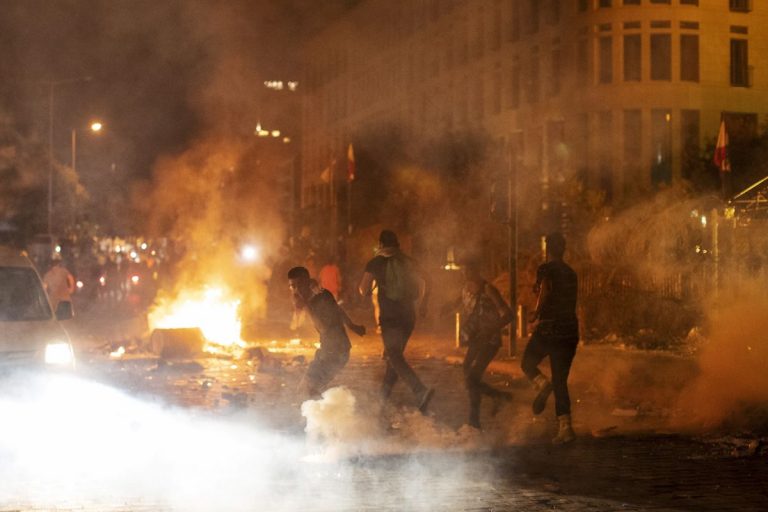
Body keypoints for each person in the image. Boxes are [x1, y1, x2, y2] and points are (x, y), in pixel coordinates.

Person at [358, 230, 434, 414]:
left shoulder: (376, 262)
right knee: (394, 357)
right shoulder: (409, 261)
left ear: (381, 244)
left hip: (390, 316)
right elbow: (429, 280)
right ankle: (381, 401)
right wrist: (424, 304)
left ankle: (419, 389)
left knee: (393, 356)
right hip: (409, 315)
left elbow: (362, 288)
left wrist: (369, 291)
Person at [443, 259, 514, 429]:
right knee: (469, 377)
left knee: (472, 377)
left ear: (477, 270)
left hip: (490, 340)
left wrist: (491, 329)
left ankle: (475, 419)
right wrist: (445, 308)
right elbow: (457, 304)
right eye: (464, 271)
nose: (465, 273)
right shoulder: (466, 289)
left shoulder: (488, 289)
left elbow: (509, 315)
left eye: (468, 269)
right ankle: (496, 399)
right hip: (476, 340)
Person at [522, 232, 579, 444]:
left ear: (548, 248)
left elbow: (544, 289)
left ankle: (542, 384)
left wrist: (537, 311)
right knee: (560, 380)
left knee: (527, 361)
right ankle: (566, 427)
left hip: (550, 328)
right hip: (570, 330)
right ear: (563, 249)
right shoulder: (571, 273)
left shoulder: (546, 269)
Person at [288, 266, 365, 398]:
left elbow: (324, 327)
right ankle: (324, 414)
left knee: (308, 391)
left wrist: (306, 305)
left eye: (299, 284)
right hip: (327, 351)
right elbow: (338, 310)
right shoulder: (317, 295)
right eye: (292, 286)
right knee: (307, 390)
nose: (296, 289)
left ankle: (331, 414)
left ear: (307, 281)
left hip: (336, 352)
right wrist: (352, 326)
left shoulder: (321, 297)